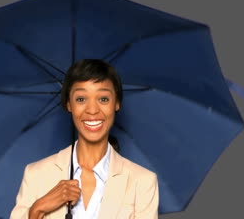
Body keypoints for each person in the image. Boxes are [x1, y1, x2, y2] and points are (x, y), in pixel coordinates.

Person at [10, 59, 159, 219]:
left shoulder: (142, 182)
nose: (92, 110)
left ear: (116, 103)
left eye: (103, 99)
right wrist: (38, 209)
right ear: (68, 104)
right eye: (81, 99)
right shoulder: (36, 174)